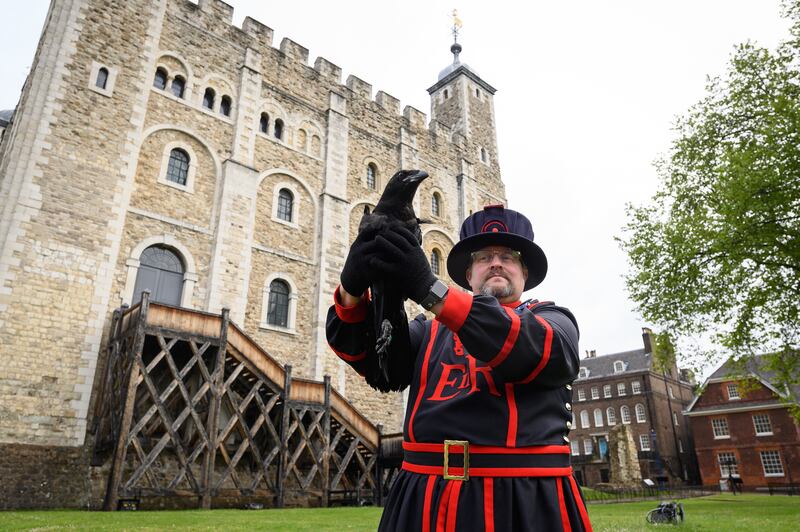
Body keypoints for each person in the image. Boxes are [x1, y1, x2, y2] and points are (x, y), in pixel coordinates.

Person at [327, 204, 592, 531]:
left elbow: (541, 350)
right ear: (469, 274)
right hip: (421, 499)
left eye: (507, 256)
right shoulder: (430, 330)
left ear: (525, 273)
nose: (495, 262)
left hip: (522, 503)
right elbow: (380, 366)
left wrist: (429, 289)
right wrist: (355, 288)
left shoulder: (553, 319)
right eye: (483, 257)